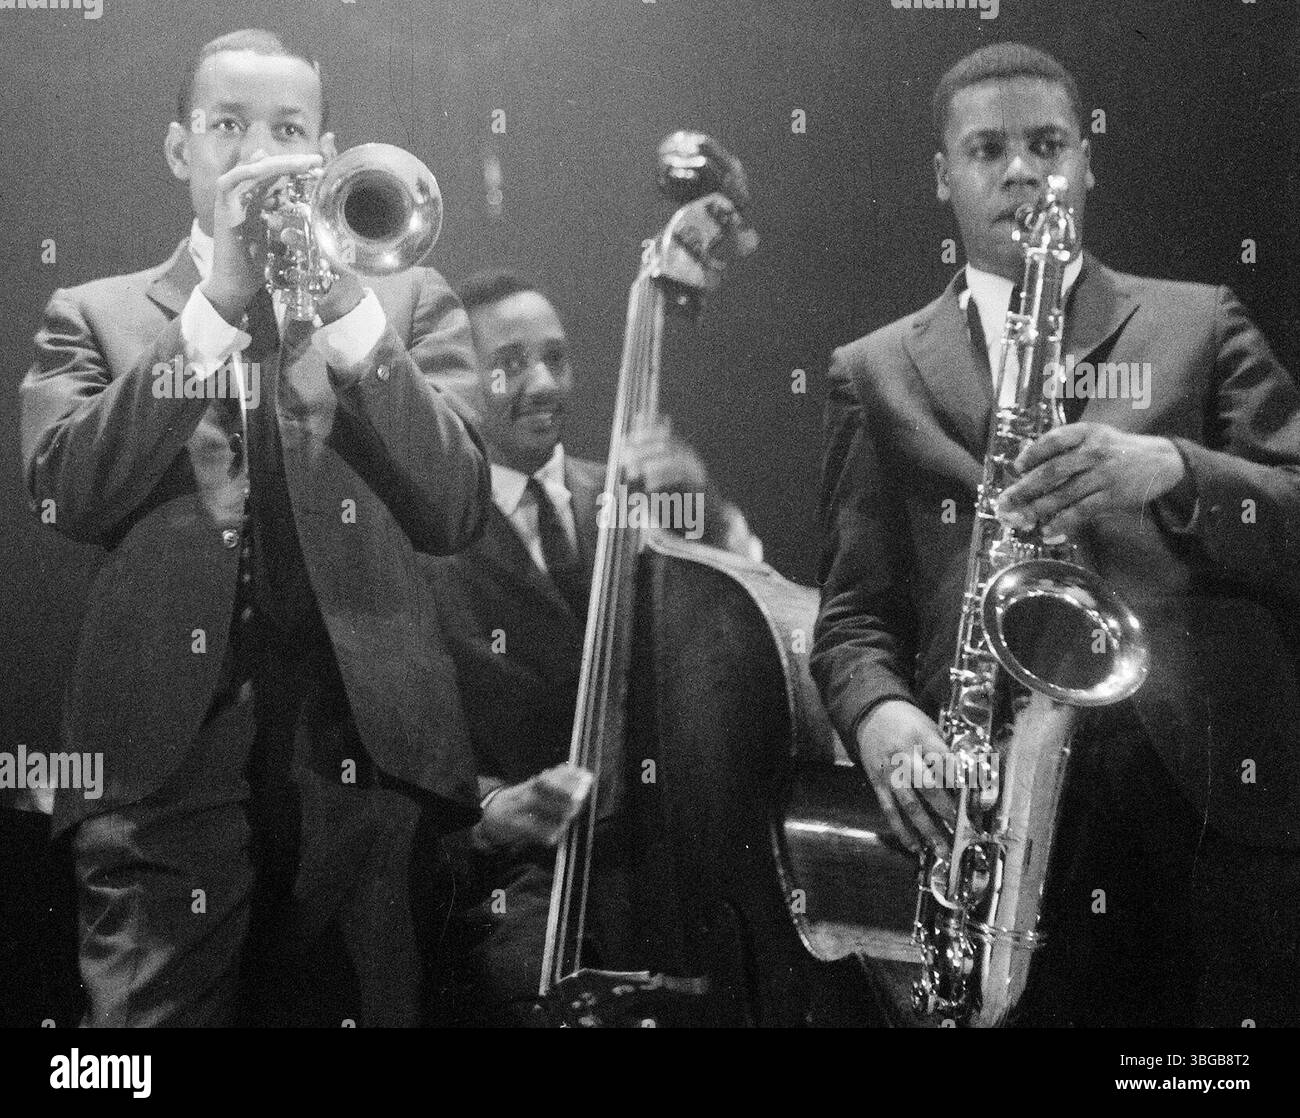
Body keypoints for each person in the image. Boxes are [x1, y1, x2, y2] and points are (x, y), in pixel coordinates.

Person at [812, 42, 1300, 1027]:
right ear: (941, 176)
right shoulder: (873, 372)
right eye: (986, 150)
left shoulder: (1199, 322)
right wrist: (878, 717)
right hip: (1002, 814)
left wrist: (1175, 470)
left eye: (1048, 144)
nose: (1023, 170)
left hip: (1202, 799)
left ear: (1086, 161)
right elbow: (854, 617)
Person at [19, 29, 489, 1027]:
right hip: (160, 774)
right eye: (228, 126)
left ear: (324, 153)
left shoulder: (403, 304)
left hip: (371, 764)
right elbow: (65, 489)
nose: (260, 153)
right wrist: (217, 308)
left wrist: (353, 310)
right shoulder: (94, 313)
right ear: (180, 151)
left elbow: (457, 506)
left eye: (288, 129)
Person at [424, 269, 761, 1025]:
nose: (543, 383)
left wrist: (712, 516)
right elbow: (403, 753)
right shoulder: (420, 542)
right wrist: (488, 810)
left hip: (665, 874)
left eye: (558, 357)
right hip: (518, 898)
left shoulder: (633, 494)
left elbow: (763, 620)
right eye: (509, 362)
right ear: (448, 383)